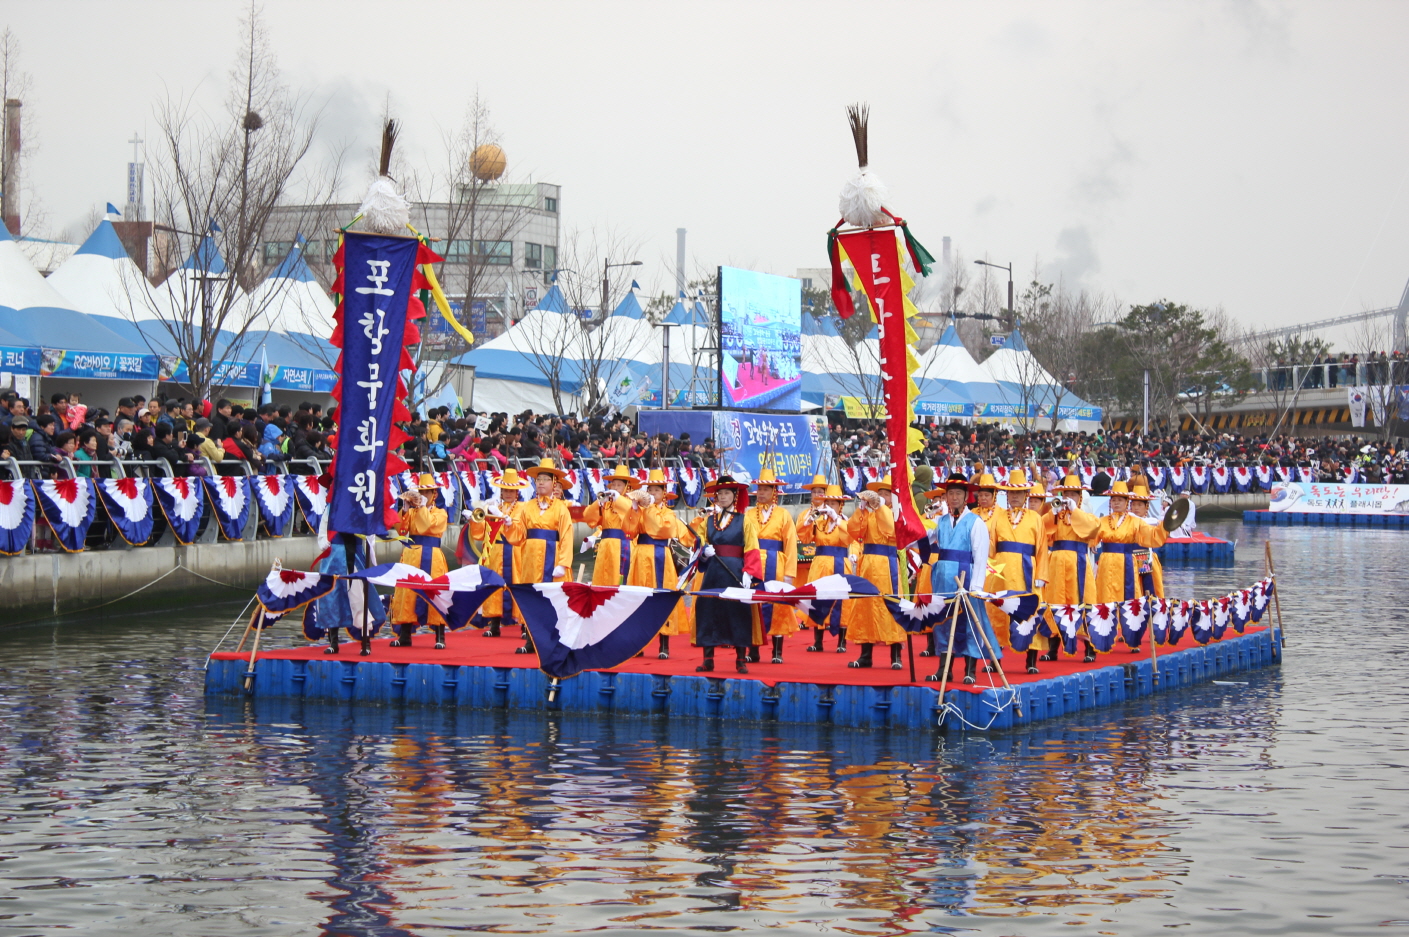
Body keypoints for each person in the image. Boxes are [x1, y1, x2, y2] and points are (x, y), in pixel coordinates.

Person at [923, 473, 1003, 685]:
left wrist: (976, 586)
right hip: (943, 579)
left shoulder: (975, 522)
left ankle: (970, 670)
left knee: (969, 622)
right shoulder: (940, 521)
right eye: (951, 493)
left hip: (965, 577)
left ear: (967, 496)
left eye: (958, 493)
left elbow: (980, 555)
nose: (954, 497)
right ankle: (944, 669)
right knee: (943, 622)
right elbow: (921, 540)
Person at [627, 468, 696, 659]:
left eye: (656, 490)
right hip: (641, 555)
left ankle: (664, 645)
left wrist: (648, 508)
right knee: (640, 597)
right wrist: (634, 510)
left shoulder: (669, 514)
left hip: (661, 556)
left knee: (663, 596)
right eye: (649, 490)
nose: (652, 493)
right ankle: (638, 644)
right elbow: (629, 530)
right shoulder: (641, 511)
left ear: (664, 493)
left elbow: (661, 530)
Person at [984, 469, 1049, 674]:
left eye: (1019, 493)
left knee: (1030, 610)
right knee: (998, 613)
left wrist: (1041, 574)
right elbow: (991, 545)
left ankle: (1031, 660)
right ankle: (995, 660)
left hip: (1026, 570)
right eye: (1011, 493)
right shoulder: (998, 517)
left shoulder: (1035, 518)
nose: (1015, 497)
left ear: (1026, 495)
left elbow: (1042, 548)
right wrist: (989, 572)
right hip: (1002, 571)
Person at [1091, 480, 1168, 653]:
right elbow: (1090, 537)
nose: (1117, 502)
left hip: (1136, 559)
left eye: (1121, 499)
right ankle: (1104, 634)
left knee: (1138, 593)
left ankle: (1136, 634)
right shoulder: (1102, 521)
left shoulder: (1139, 521)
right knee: (1105, 596)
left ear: (1127, 502)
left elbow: (1152, 536)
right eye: (1114, 499)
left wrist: (1166, 525)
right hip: (1108, 562)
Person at [691, 475, 757, 673]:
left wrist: (749, 572)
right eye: (720, 493)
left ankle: (740, 660)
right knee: (708, 609)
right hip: (713, 570)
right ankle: (708, 659)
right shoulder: (707, 522)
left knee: (737, 611)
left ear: (735, 496)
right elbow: (698, 542)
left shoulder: (744, 521)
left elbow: (752, 547)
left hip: (736, 570)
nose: (723, 496)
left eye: (727, 493)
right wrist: (704, 551)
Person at [846, 474, 908, 670]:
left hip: (887, 565)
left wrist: (880, 505)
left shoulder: (896, 513)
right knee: (865, 608)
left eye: (885, 494)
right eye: (879, 494)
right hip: (867, 564)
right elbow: (854, 532)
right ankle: (865, 655)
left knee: (890, 606)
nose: (880, 497)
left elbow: (890, 528)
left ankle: (896, 655)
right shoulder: (870, 513)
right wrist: (860, 510)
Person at [516, 458, 574, 654]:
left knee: (554, 597)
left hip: (552, 555)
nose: (540, 483)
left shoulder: (561, 508)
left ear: (553, 483)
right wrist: (508, 525)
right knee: (532, 595)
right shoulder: (527, 506)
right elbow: (518, 535)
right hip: (531, 557)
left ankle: (555, 640)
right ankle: (531, 639)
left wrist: (563, 563)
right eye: (538, 479)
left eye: (545, 479)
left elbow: (566, 536)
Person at [1040, 474, 1101, 662]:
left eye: (1073, 494)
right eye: (1066, 494)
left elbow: (1093, 528)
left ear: (1080, 497)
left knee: (1083, 601)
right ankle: (1052, 648)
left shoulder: (1085, 515)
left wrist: (1075, 510)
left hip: (1078, 562)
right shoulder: (1056, 515)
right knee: (1055, 601)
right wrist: (1053, 512)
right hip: (1057, 562)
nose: (1069, 498)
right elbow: (1041, 528)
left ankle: (1090, 648)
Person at [388, 474, 451, 649]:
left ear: (434, 494)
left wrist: (421, 506)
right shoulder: (413, 511)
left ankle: (440, 636)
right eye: (421, 492)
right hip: (412, 554)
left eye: (427, 492)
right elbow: (401, 530)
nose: (423, 495)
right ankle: (404, 634)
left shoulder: (441, 513)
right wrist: (405, 511)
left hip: (433, 554)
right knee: (407, 592)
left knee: (436, 592)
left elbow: (428, 525)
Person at [466, 468, 529, 637]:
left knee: (518, 585)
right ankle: (494, 624)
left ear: (516, 492)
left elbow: (522, 528)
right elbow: (483, 533)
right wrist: (474, 520)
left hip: (515, 550)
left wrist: (505, 519)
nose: (508, 493)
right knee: (494, 585)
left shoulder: (523, 508)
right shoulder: (494, 507)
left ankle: (525, 626)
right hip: (496, 550)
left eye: (511, 491)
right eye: (505, 490)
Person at [746, 468, 799, 664]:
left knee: (778, 605)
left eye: (766, 489)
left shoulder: (783, 514)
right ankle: (753, 650)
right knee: (754, 603)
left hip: (776, 563)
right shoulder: (749, 514)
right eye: (759, 489)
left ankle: (777, 651)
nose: (761, 493)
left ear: (774, 491)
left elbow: (791, 544)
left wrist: (789, 574)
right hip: (754, 563)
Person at [798, 483, 856, 653]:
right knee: (818, 598)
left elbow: (850, 539)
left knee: (841, 601)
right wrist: (808, 522)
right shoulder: (819, 521)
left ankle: (842, 641)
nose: (830, 506)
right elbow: (805, 539)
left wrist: (836, 518)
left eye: (833, 503)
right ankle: (818, 641)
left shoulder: (845, 521)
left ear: (840, 505)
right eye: (827, 503)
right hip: (820, 563)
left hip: (839, 562)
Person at [582, 464, 639, 586]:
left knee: (619, 578)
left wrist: (618, 499)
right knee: (603, 576)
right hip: (605, 546)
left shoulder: (632, 503)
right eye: (614, 485)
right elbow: (589, 518)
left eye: (619, 485)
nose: (615, 488)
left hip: (623, 545)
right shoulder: (606, 504)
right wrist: (598, 503)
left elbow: (632, 514)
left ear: (626, 487)